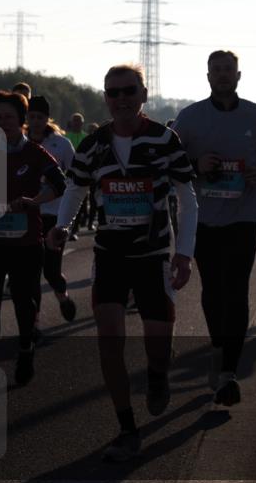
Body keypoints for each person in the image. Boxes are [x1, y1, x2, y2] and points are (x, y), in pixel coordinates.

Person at [49, 64, 197, 461]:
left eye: (128, 91)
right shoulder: (94, 144)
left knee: (157, 343)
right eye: (112, 93)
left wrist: (184, 253)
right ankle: (126, 426)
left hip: (152, 257)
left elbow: (187, 198)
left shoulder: (165, 140)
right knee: (109, 342)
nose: (121, 99)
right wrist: (62, 225)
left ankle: (157, 376)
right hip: (110, 255)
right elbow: (75, 188)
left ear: (143, 94)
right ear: (105, 99)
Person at [171, 50, 256, 406]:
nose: (222, 75)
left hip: (244, 216)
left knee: (236, 290)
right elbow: (170, 162)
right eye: (216, 70)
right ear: (207, 76)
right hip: (202, 218)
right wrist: (195, 164)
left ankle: (228, 374)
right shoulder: (189, 118)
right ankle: (218, 346)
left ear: (238, 76)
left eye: (228, 70)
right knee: (214, 289)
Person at [0, 90, 65, 386]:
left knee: (23, 300)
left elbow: (59, 184)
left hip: (26, 243)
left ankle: (26, 348)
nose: (2, 123)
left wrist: (34, 200)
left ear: (22, 120)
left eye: (8, 117)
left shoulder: (35, 153)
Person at [25, 96, 77, 322]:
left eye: (40, 117)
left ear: (47, 119)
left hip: (54, 215)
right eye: (32, 117)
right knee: (31, 272)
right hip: (27, 215)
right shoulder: (19, 142)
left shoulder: (61, 144)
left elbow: (75, 179)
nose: (36, 121)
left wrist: (71, 215)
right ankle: (33, 324)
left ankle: (63, 297)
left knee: (51, 271)